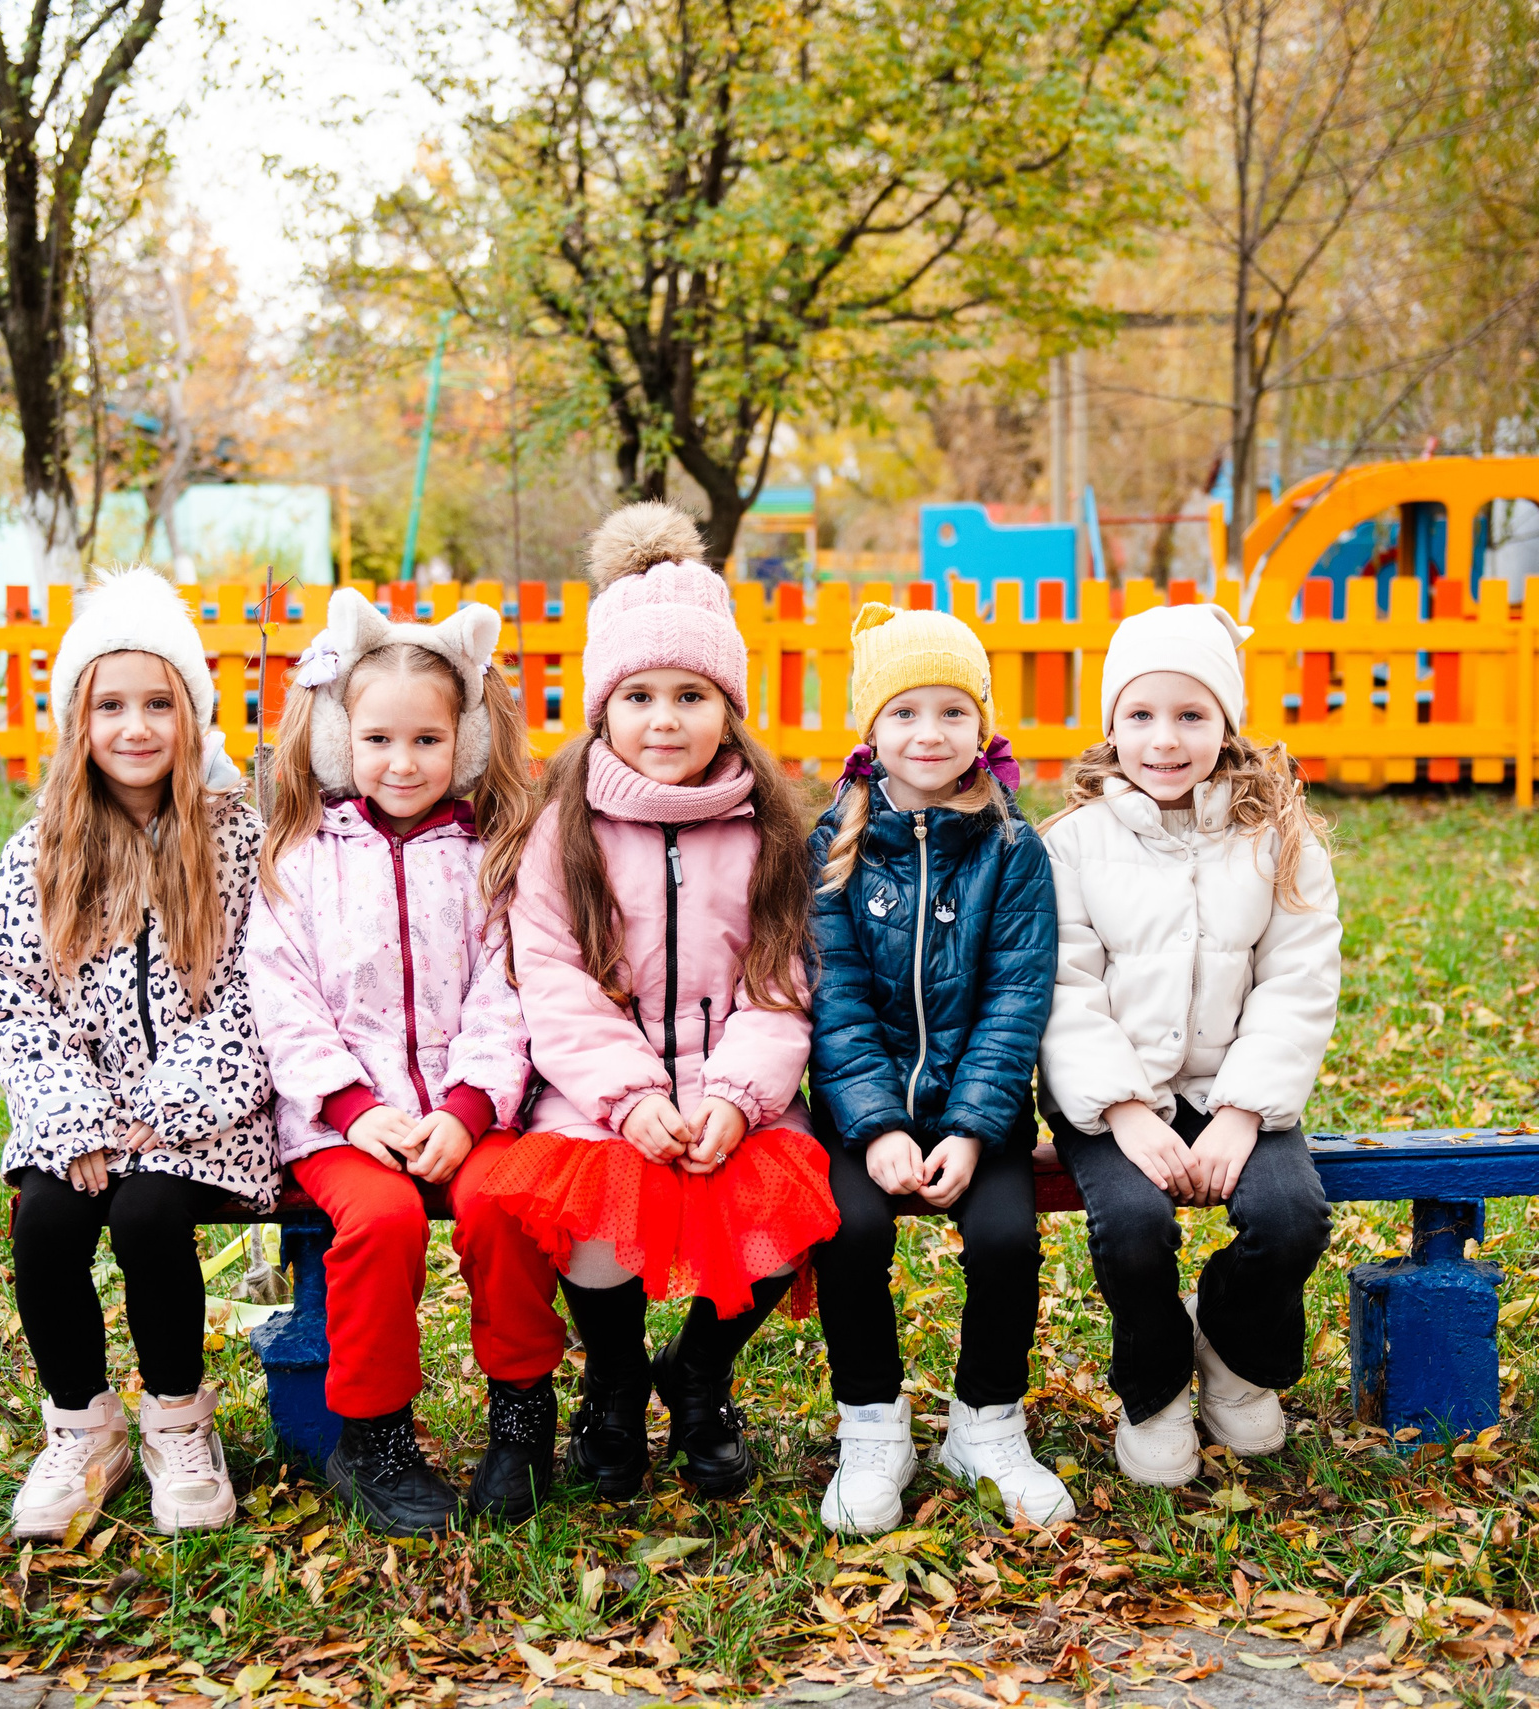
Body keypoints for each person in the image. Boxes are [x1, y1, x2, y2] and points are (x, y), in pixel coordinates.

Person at [473, 502, 835, 1501]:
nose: (664, 719)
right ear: (604, 708)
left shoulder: (764, 828)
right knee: (595, 1211)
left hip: (733, 1087)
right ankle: (617, 1380)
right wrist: (630, 1096)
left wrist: (736, 1096)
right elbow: (553, 978)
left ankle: (701, 1372)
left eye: (690, 695)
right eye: (638, 696)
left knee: (790, 1206)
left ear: (729, 707)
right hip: (598, 1092)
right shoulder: (565, 828)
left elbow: (781, 981)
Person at [243, 588, 561, 1536]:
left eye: (428, 739)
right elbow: (283, 997)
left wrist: (468, 1108)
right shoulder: (300, 859)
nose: (404, 761)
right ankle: (373, 1434)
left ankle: (521, 1415)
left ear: (466, 742)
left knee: (503, 1208)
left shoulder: (491, 858)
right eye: (379, 738)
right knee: (381, 1223)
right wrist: (352, 1107)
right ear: (342, 739)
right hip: (344, 1120)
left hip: (476, 1111)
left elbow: (509, 989)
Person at [0, 567, 275, 1539]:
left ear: (193, 714)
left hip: (207, 1114)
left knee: (148, 1216)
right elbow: (13, 991)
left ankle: (178, 1419)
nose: (135, 726)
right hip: (83, 1112)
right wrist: (75, 1117)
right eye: (110, 705)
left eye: (158, 703)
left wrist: (169, 1105)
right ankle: (82, 1424)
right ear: (79, 719)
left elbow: (262, 984)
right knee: (47, 1220)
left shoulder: (236, 838)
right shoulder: (44, 847)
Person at [1036, 602, 1340, 1487]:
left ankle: (1234, 1355)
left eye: (1191, 714)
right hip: (1113, 1096)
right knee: (1135, 1227)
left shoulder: (1277, 841)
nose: (1164, 739)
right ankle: (1157, 1387)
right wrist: (1124, 1109)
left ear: (1227, 724)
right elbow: (1063, 986)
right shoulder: (1072, 846)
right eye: (1140, 714)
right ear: (1111, 725)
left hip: (1232, 1087)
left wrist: (1243, 1111)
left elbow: (1298, 980)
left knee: (1290, 1217)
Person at [807, 604, 1067, 1534]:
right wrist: (875, 1123)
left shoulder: (1012, 848)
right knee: (848, 1231)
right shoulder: (832, 846)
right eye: (905, 711)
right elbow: (833, 999)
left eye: (954, 711)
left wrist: (970, 1127)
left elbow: (1016, 997)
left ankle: (986, 1423)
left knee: (1005, 1238)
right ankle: (873, 1424)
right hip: (861, 1108)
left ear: (981, 725)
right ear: (870, 730)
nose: (930, 732)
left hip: (977, 1109)